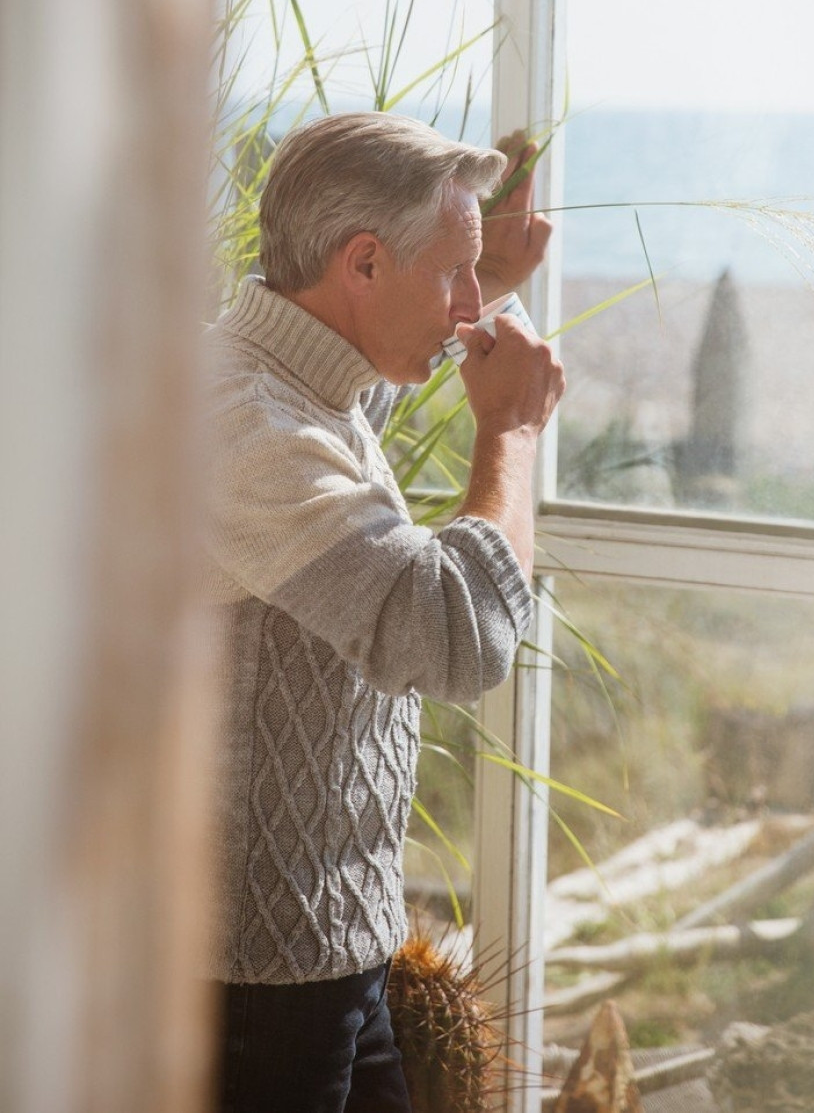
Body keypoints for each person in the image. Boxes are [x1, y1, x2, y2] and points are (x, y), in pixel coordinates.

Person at [203, 111, 565, 1113]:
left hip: (319, 952)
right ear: (363, 261)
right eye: (448, 273)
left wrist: (480, 274)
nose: (463, 309)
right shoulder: (243, 426)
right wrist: (513, 434)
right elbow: (451, 639)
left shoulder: (281, 383)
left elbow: (344, 401)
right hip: (252, 982)